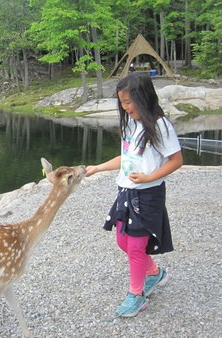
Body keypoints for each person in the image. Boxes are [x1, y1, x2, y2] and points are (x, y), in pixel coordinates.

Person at [86, 72, 183, 318]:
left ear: (144, 97)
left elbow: (177, 160)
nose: (125, 107)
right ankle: (154, 273)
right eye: (122, 102)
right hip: (126, 191)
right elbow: (127, 157)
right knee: (122, 241)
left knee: (137, 247)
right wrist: (98, 168)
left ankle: (136, 295)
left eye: (129, 101)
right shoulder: (130, 124)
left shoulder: (160, 125)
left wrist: (150, 177)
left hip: (149, 194)